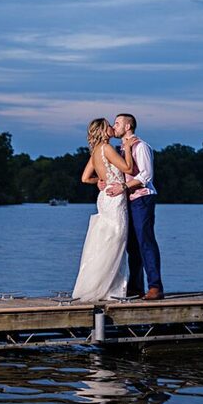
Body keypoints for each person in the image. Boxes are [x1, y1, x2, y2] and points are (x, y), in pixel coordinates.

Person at [72, 118, 137, 302]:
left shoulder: (95, 152)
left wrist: (99, 182)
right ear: (103, 129)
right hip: (115, 199)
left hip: (104, 197)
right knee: (115, 241)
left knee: (106, 240)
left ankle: (103, 286)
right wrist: (129, 149)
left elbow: (85, 178)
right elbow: (128, 167)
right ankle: (110, 289)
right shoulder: (107, 149)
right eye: (108, 125)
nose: (111, 127)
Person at [103, 114, 164, 300]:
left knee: (145, 241)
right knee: (132, 246)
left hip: (142, 199)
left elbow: (146, 176)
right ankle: (136, 287)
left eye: (117, 123)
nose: (114, 126)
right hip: (126, 201)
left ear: (128, 126)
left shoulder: (141, 146)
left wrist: (122, 187)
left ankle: (155, 287)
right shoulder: (121, 148)